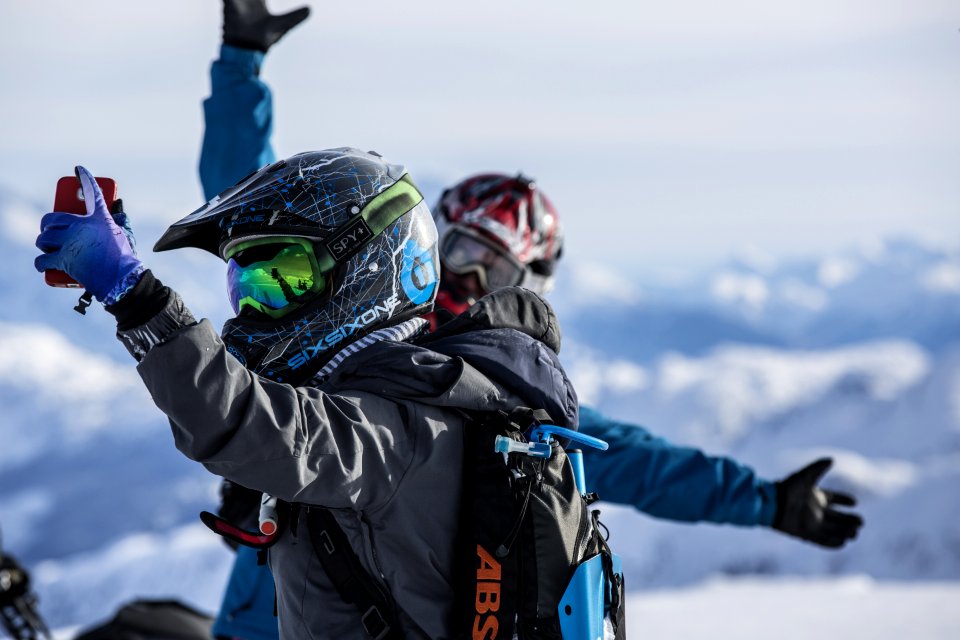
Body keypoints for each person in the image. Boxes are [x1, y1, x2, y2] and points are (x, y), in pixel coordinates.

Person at [198, 2, 864, 638]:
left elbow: (644, 464)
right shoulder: (348, 320)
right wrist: (242, 64)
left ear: (527, 285)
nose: (467, 278)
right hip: (266, 609)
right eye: (459, 248)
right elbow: (259, 213)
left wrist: (767, 502)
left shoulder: (501, 399)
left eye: (495, 267)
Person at [34, 148, 579, 639]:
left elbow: (238, 421)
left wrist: (133, 294)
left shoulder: (399, 425)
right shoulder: (400, 397)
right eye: (245, 282)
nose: (252, 308)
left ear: (367, 270)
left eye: (282, 277)